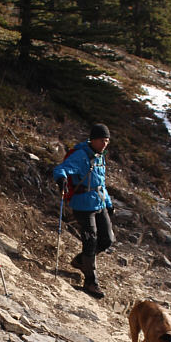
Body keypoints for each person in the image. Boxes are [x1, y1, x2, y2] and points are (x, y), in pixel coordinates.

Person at [53, 124, 114, 299]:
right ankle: (90, 281)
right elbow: (61, 169)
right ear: (93, 139)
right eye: (102, 140)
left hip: (99, 203)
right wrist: (61, 179)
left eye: (107, 141)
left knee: (107, 240)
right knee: (91, 241)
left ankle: (80, 261)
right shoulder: (81, 155)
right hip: (82, 205)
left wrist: (109, 204)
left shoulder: (100, 156)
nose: (104, 144)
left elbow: (101, 183)